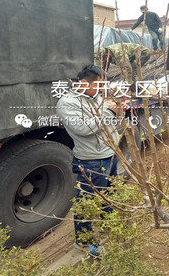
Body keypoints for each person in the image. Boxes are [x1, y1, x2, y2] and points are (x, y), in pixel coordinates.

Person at [56, 65, 120, 257]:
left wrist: (115, 113)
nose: (101, 89)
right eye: (99, 84)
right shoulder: (67, 103)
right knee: (87, 202)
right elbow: (84, 129)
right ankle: (83, 241)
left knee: (109, 192)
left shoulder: (95, 96)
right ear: (84, 83)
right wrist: (110, 113)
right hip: (92, 160)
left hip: (110, 154)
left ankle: (109, 221)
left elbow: (107, 122)